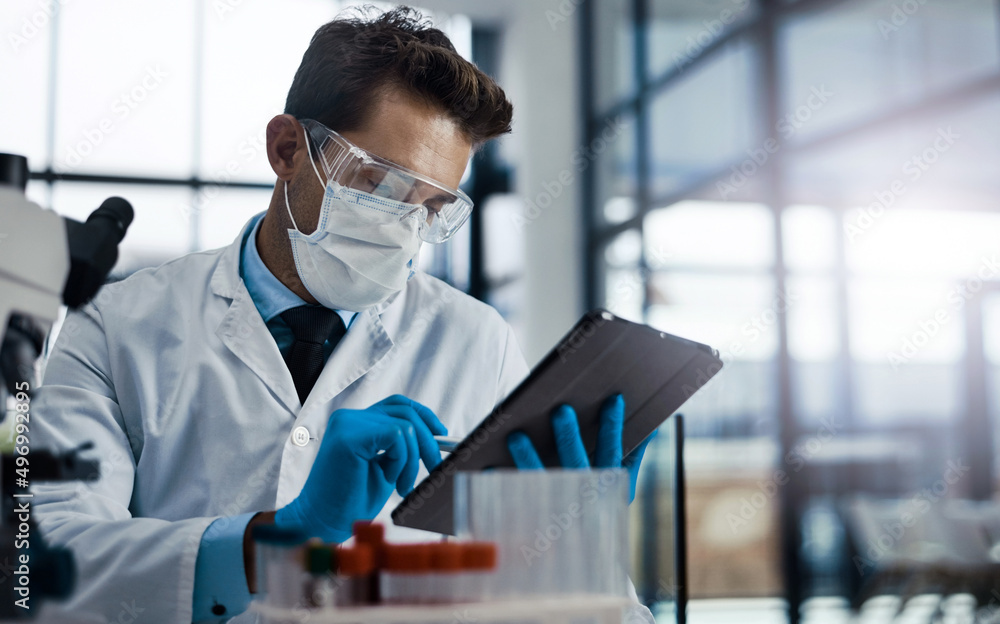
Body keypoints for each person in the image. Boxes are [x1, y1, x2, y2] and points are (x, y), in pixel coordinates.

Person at [34, 7, 653, 623]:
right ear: (286, 151)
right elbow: (44, 569)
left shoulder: (477, 344)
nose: (407, 230)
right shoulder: (116, 326)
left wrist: (572, 544)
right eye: (381, 184)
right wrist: (279, 540)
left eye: (432, 206)